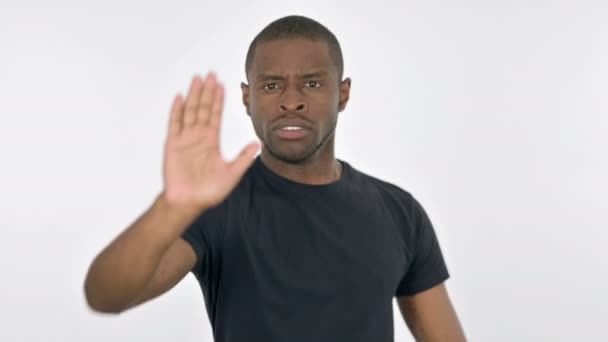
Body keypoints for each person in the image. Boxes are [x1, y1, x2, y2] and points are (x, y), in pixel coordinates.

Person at [84, 15, 466, 342]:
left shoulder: (399, 211)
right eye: (271, 85)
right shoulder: (218, 207)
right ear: (247, 99)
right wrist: (170, 208)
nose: (291, 101)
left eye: (312, 83)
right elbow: (105, 295)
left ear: (343, 94)